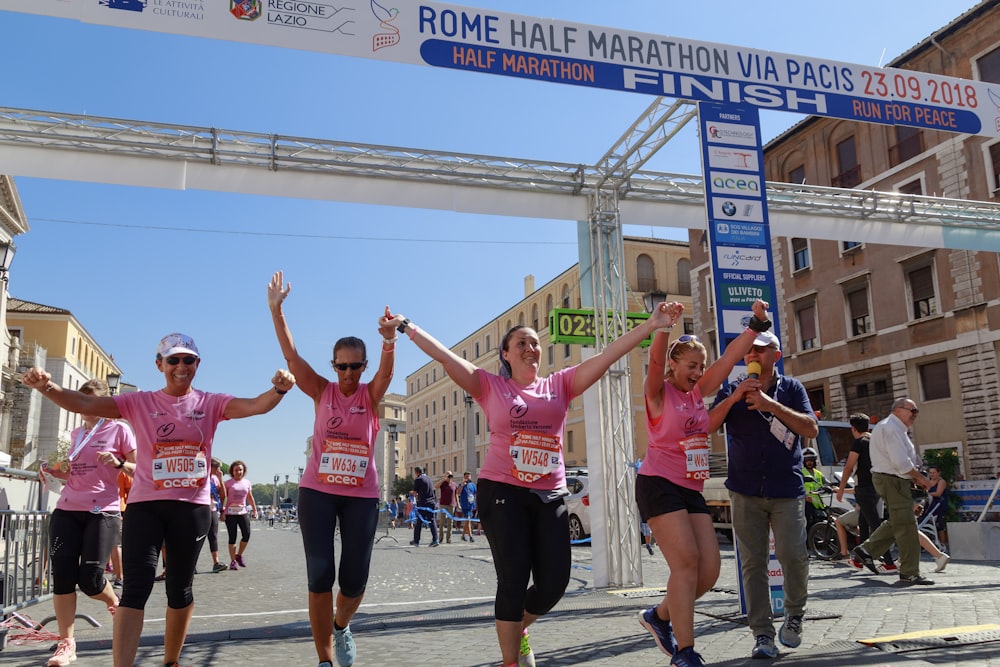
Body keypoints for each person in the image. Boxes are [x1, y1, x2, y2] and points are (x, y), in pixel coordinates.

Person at [387, 301, 675, 667]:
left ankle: (516, 627)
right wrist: (406, 326)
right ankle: (511, 660)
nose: (530, 347)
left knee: (554, 583)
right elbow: (444, 356)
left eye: (534, 342)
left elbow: (608, 355)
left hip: (550, 494)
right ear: (506, 354)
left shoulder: (561, 384)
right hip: (502, 490)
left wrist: (652, 324)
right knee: (513, 578)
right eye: (521, 343)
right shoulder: (490, 386)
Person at [21, 333, 296, 667]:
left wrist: (280, 389)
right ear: (160, 365)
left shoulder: (211, 403)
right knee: (136, 588)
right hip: (145, 507)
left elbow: (256, 405)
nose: (181, 367)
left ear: (197, 364)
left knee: (180, 589)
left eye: (188, 360)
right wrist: (45, 387)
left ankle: (170, 661)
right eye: (173, 360)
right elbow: (85, 404)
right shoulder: (139, 402)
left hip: (191, 509)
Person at [268, 271, 395, 667]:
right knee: (320, 577)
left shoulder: (370, 395)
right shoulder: (321, 391)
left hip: (361, 496)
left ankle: (341, 625)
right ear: (334, 365)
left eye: (356, 367)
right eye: (342, 367)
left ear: (363, 365)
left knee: (355, 580)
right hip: (318, 493)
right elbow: (292, 357)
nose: (348, 374)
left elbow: (386, 375)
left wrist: (389, 341)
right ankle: (324, 659)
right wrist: (277, 310)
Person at [637, 300, 769, 667]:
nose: (697, 373)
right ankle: (685, 651)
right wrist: (663, 327)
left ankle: (659, 616)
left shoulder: (697, 395)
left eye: (700, 367)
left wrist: (755, 326)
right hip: (658, 482)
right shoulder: (659, 393)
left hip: (690, 487)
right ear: (674, 365)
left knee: (708, 572)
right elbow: (653, 363)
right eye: (690, 366)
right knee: (686, 563)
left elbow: (727, 360)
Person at [709, 327, 819, 660]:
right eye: (750, 351)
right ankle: (762, 634)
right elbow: (709, 424)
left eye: (761, 350)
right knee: (752, 564)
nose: (753, 355)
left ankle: (795, 614)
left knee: (793, 555)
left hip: (786, 488)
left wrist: (771, 405)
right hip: (744, 490)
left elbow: (811, 428)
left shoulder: (792, 388)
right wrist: (733, 397)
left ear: (776, 355)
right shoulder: (733, 388)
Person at [39, 379, 137, 667]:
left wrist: (118, 464)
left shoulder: (119, 429)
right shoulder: (76, 433)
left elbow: (140, 468)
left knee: (91, 578)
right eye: (81, 400)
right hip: (67, 508)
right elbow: (75, 476)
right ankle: (66, 643)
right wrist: (55, 471)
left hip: (102, 511)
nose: (85, 406)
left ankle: (114, 602)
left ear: (103, 403)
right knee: (63, 577)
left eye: (91, 400)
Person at [853, 398, 934, 586]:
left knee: (899, 521)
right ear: (898, 410)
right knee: (907, 526)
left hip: (893, 480)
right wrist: (921, 478)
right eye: (912, 410)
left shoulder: (893, 428)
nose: (915, 415)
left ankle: (866, 551)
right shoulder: (891, 428)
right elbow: (901, 463)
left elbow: (901, 464)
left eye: (916, 411)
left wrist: (914, 477)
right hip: (892, 480)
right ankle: (909, 572)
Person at [836, 413, 894, 571]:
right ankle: (859, 561)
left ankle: (889, 563)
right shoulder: (875, 441)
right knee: (863, 522)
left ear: (853, 428)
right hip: (877, 487)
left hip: (864, 489)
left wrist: (841, 490)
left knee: (875, 525)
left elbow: (848, 467)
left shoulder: (859, 443)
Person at [837, 505, 950, 572]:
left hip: (896, 501)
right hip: (899, 499)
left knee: (900, 528)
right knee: (905, 529)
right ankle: (936, 556)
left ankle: (893, 562)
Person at [224, 460, 258, 570]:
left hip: (242, 512)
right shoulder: (228, 483)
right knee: (232, 537)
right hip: (230, 513)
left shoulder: (247, 483)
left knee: (246, 534)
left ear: (243, 471)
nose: (238, 472)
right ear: (232, 471)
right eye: (236, 470)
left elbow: (249, 497)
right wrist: (222, 512)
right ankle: (233, 561)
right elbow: (224, 498)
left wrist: (254, 509)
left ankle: (239, 555)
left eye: (240, 470)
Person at [410, 466, 439, 547]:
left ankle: (416, 541)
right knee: (432, 521)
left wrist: (411, 493)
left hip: (423, 503)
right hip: (432, 502)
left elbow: (415, 492)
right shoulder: (429, 478)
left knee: (419, 522)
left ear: (416, 472)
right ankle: (435, 539)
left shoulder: (418, 479)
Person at [209, 458, 229, 573]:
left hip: (212, 509)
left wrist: (221, 480)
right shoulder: (200, 477)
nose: (218, 470)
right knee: (197, 537)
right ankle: (193, 564)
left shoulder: (215, 479)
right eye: (216, 467)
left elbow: (223, 496)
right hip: (201, 508)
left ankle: (216, 562)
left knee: (213, 536)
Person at [801, 447, 826, 528]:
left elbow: (826, 483)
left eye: (811, 460)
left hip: (819, 504)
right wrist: (804, 497)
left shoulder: (819, 473)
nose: (809, 462)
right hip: (805, 503)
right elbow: (794, 488)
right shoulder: (800, 473)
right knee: (808, 523)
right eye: (807, 460)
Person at [926, 466, 949, 547]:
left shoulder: (941, 481)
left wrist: (927, 494)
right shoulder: (928, 482)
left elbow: (938, 493)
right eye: (930, 472)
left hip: (939, 505)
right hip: (930, 505)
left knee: (940, 524)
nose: (932, 474)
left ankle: (943, 543)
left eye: (934, 472)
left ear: (938, 473)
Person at [437, 471, 458, 544]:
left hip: (451, 505)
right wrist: (443, 479)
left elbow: (456, 495)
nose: (449, 476)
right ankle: (440, 538)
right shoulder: (443, 483)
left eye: (450, 475)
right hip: (443, 504)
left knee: (450, 523)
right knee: (442, 522)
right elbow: (436, 487)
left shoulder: (454, 484)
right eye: (448, 475)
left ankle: (448, 538)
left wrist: (458, 504)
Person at [458, 471, 477, 542]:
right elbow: (458, 493)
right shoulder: (461, 485)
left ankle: (463, 535)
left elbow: (475, 493)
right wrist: (462, 485)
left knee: (468, 521)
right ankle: (471, 536)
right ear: (464, 477)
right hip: (465, 505)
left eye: (469, 476)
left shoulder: (472, 485)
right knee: (468, 519)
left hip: (471, 505)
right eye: (466, 476)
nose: (468, 478)